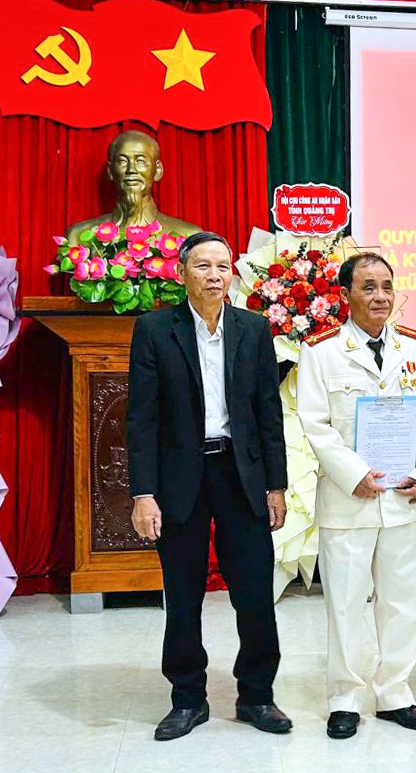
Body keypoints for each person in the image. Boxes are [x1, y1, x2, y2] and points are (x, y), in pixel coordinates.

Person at [128, 231, 291, 741]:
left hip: (241, 474)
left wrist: (276, 485)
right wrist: (143, 493)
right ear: (182, 273)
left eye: (223, 266)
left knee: (255, 592)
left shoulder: (253, 329)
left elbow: (268, 413)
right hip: (180, 476)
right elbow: (141, 419)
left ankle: (257, 695)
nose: (215, 275)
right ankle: (187, 698)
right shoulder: (155, 330)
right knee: (183, 593)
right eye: (203, 266)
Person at [297, 252, 416, 739]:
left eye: (387, 286)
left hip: (405, 496)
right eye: (368, 287)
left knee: (404, 602)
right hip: (350, 499)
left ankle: (395, 693)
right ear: (346, 295)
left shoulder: (415, 349)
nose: (381, 297)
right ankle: (344, 697)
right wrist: (353, 473)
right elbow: (316, 423)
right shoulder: (321, 351)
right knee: (345, 602)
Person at [66, 130, 201, 243]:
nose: (131, 170)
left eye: (140, 161)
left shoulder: (187, 236)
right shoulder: (78, 237)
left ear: (157, 171)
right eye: (123, 161)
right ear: (110, 171)